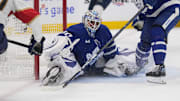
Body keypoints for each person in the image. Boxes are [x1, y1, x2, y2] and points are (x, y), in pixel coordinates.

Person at [42, 10, 138, 86]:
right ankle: (56, 74)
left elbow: (111, 53)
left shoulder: (103, 31)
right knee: (70, 69)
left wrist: (115, 61)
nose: (94, 26)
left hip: (94, 63)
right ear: (85, 20)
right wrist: (52, 51)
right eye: (91, 22)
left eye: (96, 23)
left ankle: (133, 64)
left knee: (116, 63)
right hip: (77, 61)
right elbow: (62, 40)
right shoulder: (77, 30)